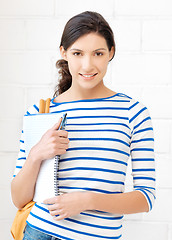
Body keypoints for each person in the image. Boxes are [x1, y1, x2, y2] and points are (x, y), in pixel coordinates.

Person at [11, 11, 156, 240]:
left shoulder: (133, 112)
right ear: (64, 52)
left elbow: (146, 197)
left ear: (111, 53)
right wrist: (35, 155)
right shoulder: (41, 112)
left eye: (98, 53)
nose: (87, 65)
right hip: (39, 232)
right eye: (77, 53)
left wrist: (88, 200)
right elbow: (19, 198)